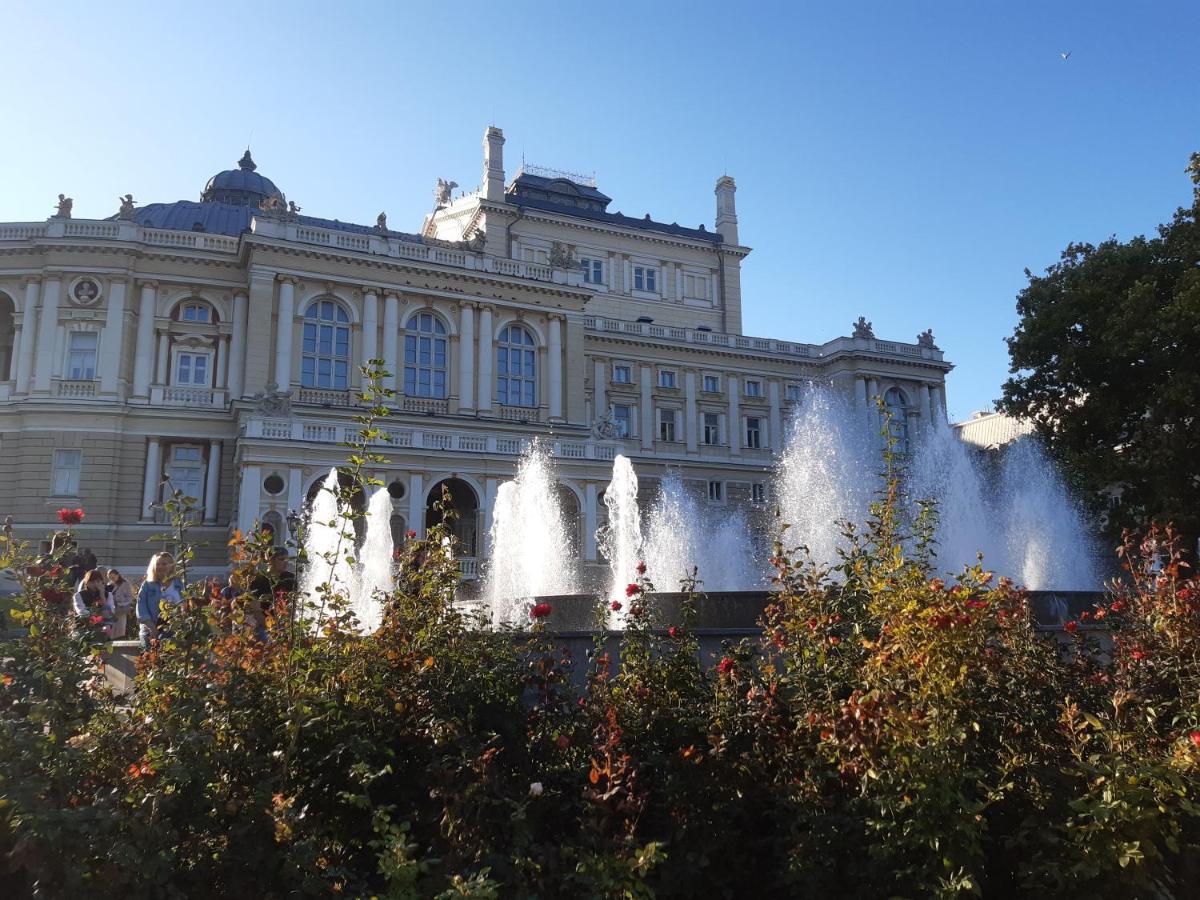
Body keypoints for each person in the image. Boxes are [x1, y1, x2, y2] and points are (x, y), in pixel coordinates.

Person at [136, 552, 185, 651]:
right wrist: (152, 628)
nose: (160, 567)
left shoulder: (179, 584)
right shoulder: (147, 585)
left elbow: (184, 604)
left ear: (171, 566)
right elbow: (141, 609)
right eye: (157, 564)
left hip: (173, 628)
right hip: (150, 628)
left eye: (164, 564)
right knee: (151, 656)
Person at [247, 548, 296, 639]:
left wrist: (286, 626)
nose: (286, 563)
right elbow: (255, 609)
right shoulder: (258, 581)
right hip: (264, 625)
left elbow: (294, 605)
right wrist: (271, 628)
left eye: (287, 560)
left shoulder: (290, 579)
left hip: (285, 625)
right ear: (270, 560)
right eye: (281, 559)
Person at [72, 569, 114, 638]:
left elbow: (111, 611)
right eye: (92, 581)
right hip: (83, 626)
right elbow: (81, 611)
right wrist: (94, 617)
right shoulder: (79, 595)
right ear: (86, 582)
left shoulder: (108, 595)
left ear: (102, 582)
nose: (95, 584)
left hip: (102, 626)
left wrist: (102, 595)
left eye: (98, 581)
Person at [106, 568, 133, 640]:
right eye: (110, 578)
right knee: (111, 630)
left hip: (121, 609)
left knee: (120, 630)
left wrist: (121, 601)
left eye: (113, 577)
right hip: (112, 609)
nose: (112, 579)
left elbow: (130, 597)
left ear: (118, 575)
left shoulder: (125, 584)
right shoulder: (109, 585)